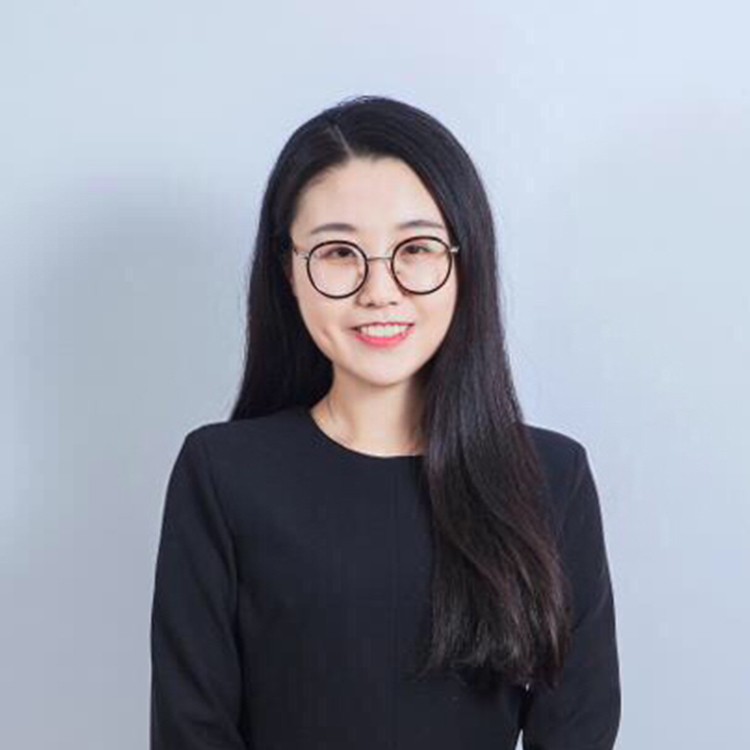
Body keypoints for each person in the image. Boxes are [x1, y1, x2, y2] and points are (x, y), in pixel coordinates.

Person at [149, 94, 621, 750]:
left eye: (416, 248)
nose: (380, 290)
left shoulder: (551, 478)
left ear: (463, 261)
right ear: (289, 271)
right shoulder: (222, 475)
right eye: (338, 252)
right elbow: (191, 732)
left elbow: (576, 732)